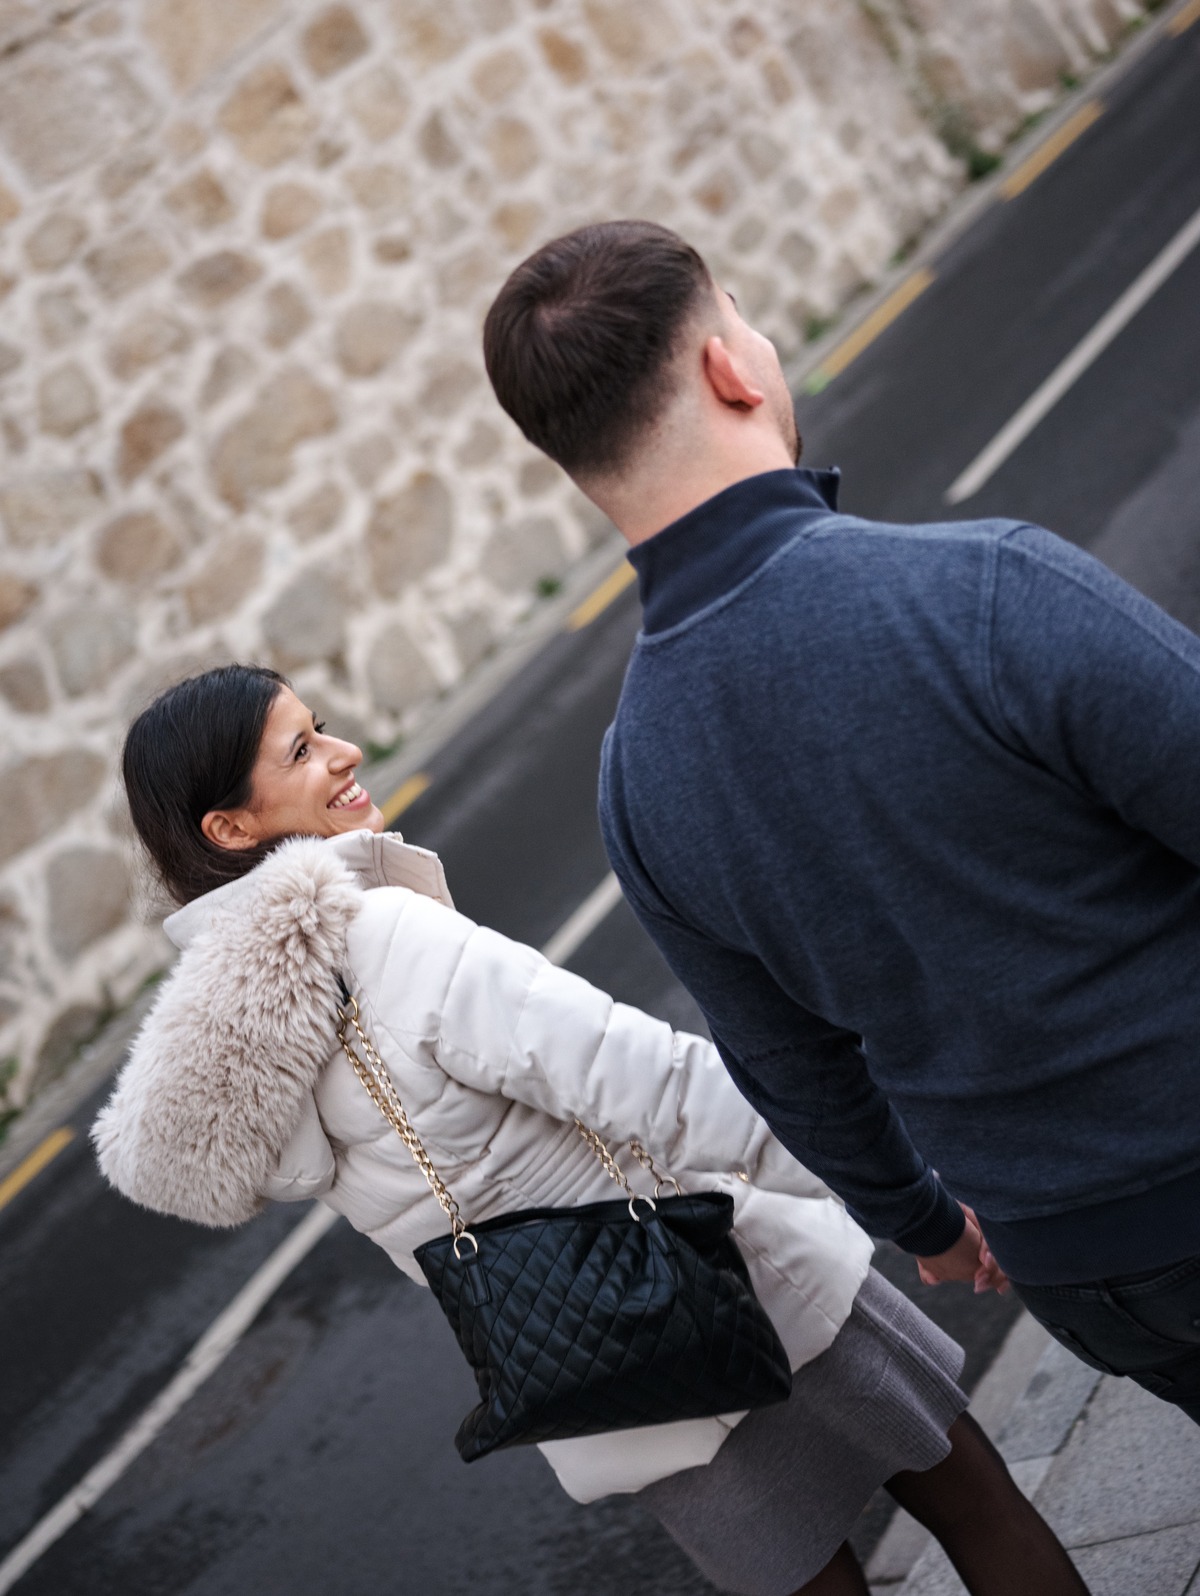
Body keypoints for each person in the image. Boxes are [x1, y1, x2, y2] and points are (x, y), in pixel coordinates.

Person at [93, 665, 1085, 1596]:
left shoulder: (242, 1043)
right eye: (302, 751)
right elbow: (653, 1084)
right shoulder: (384, 939)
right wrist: (899, 1200)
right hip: (735, 1278)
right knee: (975, 1504)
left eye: (321, 729)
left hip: (606, 1371)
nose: (345, 752)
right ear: (230, 826)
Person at [482, 219, 1200, 1422]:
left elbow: (789, 1066)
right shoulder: (984, 589)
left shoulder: (634, 782)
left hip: (1083, 1270)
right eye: (744, 318)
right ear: (729, 369)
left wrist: (923, 1223)